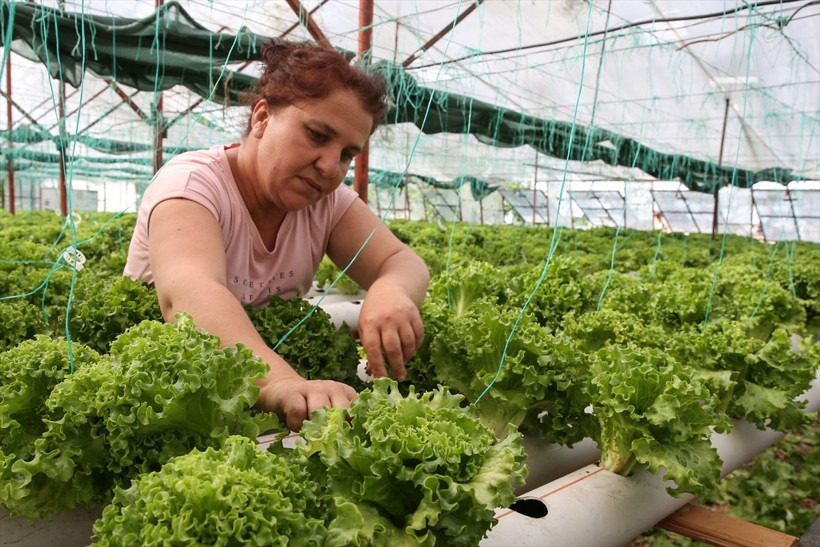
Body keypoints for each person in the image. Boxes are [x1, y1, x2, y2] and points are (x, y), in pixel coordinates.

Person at [124, 39, 430, 431]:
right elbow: (191, 294)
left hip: (261, 395)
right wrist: (280, 383)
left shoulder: (327, 203)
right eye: (317, 135)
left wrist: (391, 290)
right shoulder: (192, 185)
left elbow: (402, 261)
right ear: (262, 118)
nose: (329, 166)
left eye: (346, 155)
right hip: (165, 404)